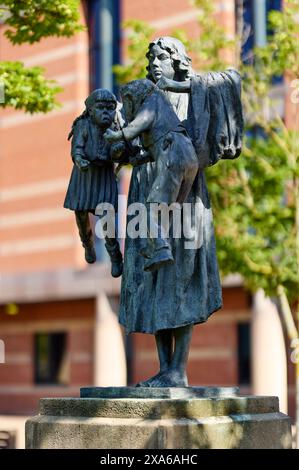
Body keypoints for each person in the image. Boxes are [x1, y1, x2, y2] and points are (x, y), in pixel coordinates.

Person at [119, 37, 243, 387]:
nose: (156, 63)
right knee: (153, 281)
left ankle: (178, 369)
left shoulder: (194, 91)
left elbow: (230, 81)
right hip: (147, 188)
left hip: (185, 195)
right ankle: (164, 369)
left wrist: (182, 84)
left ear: (178, 60)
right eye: (153, 58)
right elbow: (129, 145)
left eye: (163, 56)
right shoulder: (142, 98)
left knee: (181, 277)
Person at [104, 78, 198, 272]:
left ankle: (161, 248)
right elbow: (153, 147)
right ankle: (156, 246)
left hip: (173, 154)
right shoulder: (163, 108)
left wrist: (115, 136)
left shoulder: (151, 102)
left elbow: (138, 125)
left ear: (131, 99)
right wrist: (136, 159)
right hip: (188, 156)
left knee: (148, 210)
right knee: (169, 210)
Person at [64, 88, 125, 278]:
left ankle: (114, 254)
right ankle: (87, 244)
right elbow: (77, 148)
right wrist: (80, 159)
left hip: (104, 175)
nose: (106, 112)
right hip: (85, 174)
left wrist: (118, 151)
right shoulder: (83, 125)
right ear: (90, 111)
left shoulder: (115, 127)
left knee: (106, 217)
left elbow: (119, 152)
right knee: (81, 214)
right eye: (101, 108)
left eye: (110, 108)